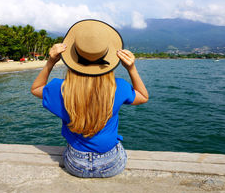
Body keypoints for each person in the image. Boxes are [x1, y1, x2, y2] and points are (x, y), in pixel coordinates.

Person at [31, 19, 148, 178]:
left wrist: (51, 61)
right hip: (111, 164)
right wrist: (131, 68)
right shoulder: (118, 87)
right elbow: (143, 97)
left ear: (72, 59)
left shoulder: (60, 88)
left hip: (75, 164)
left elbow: (36, 89)